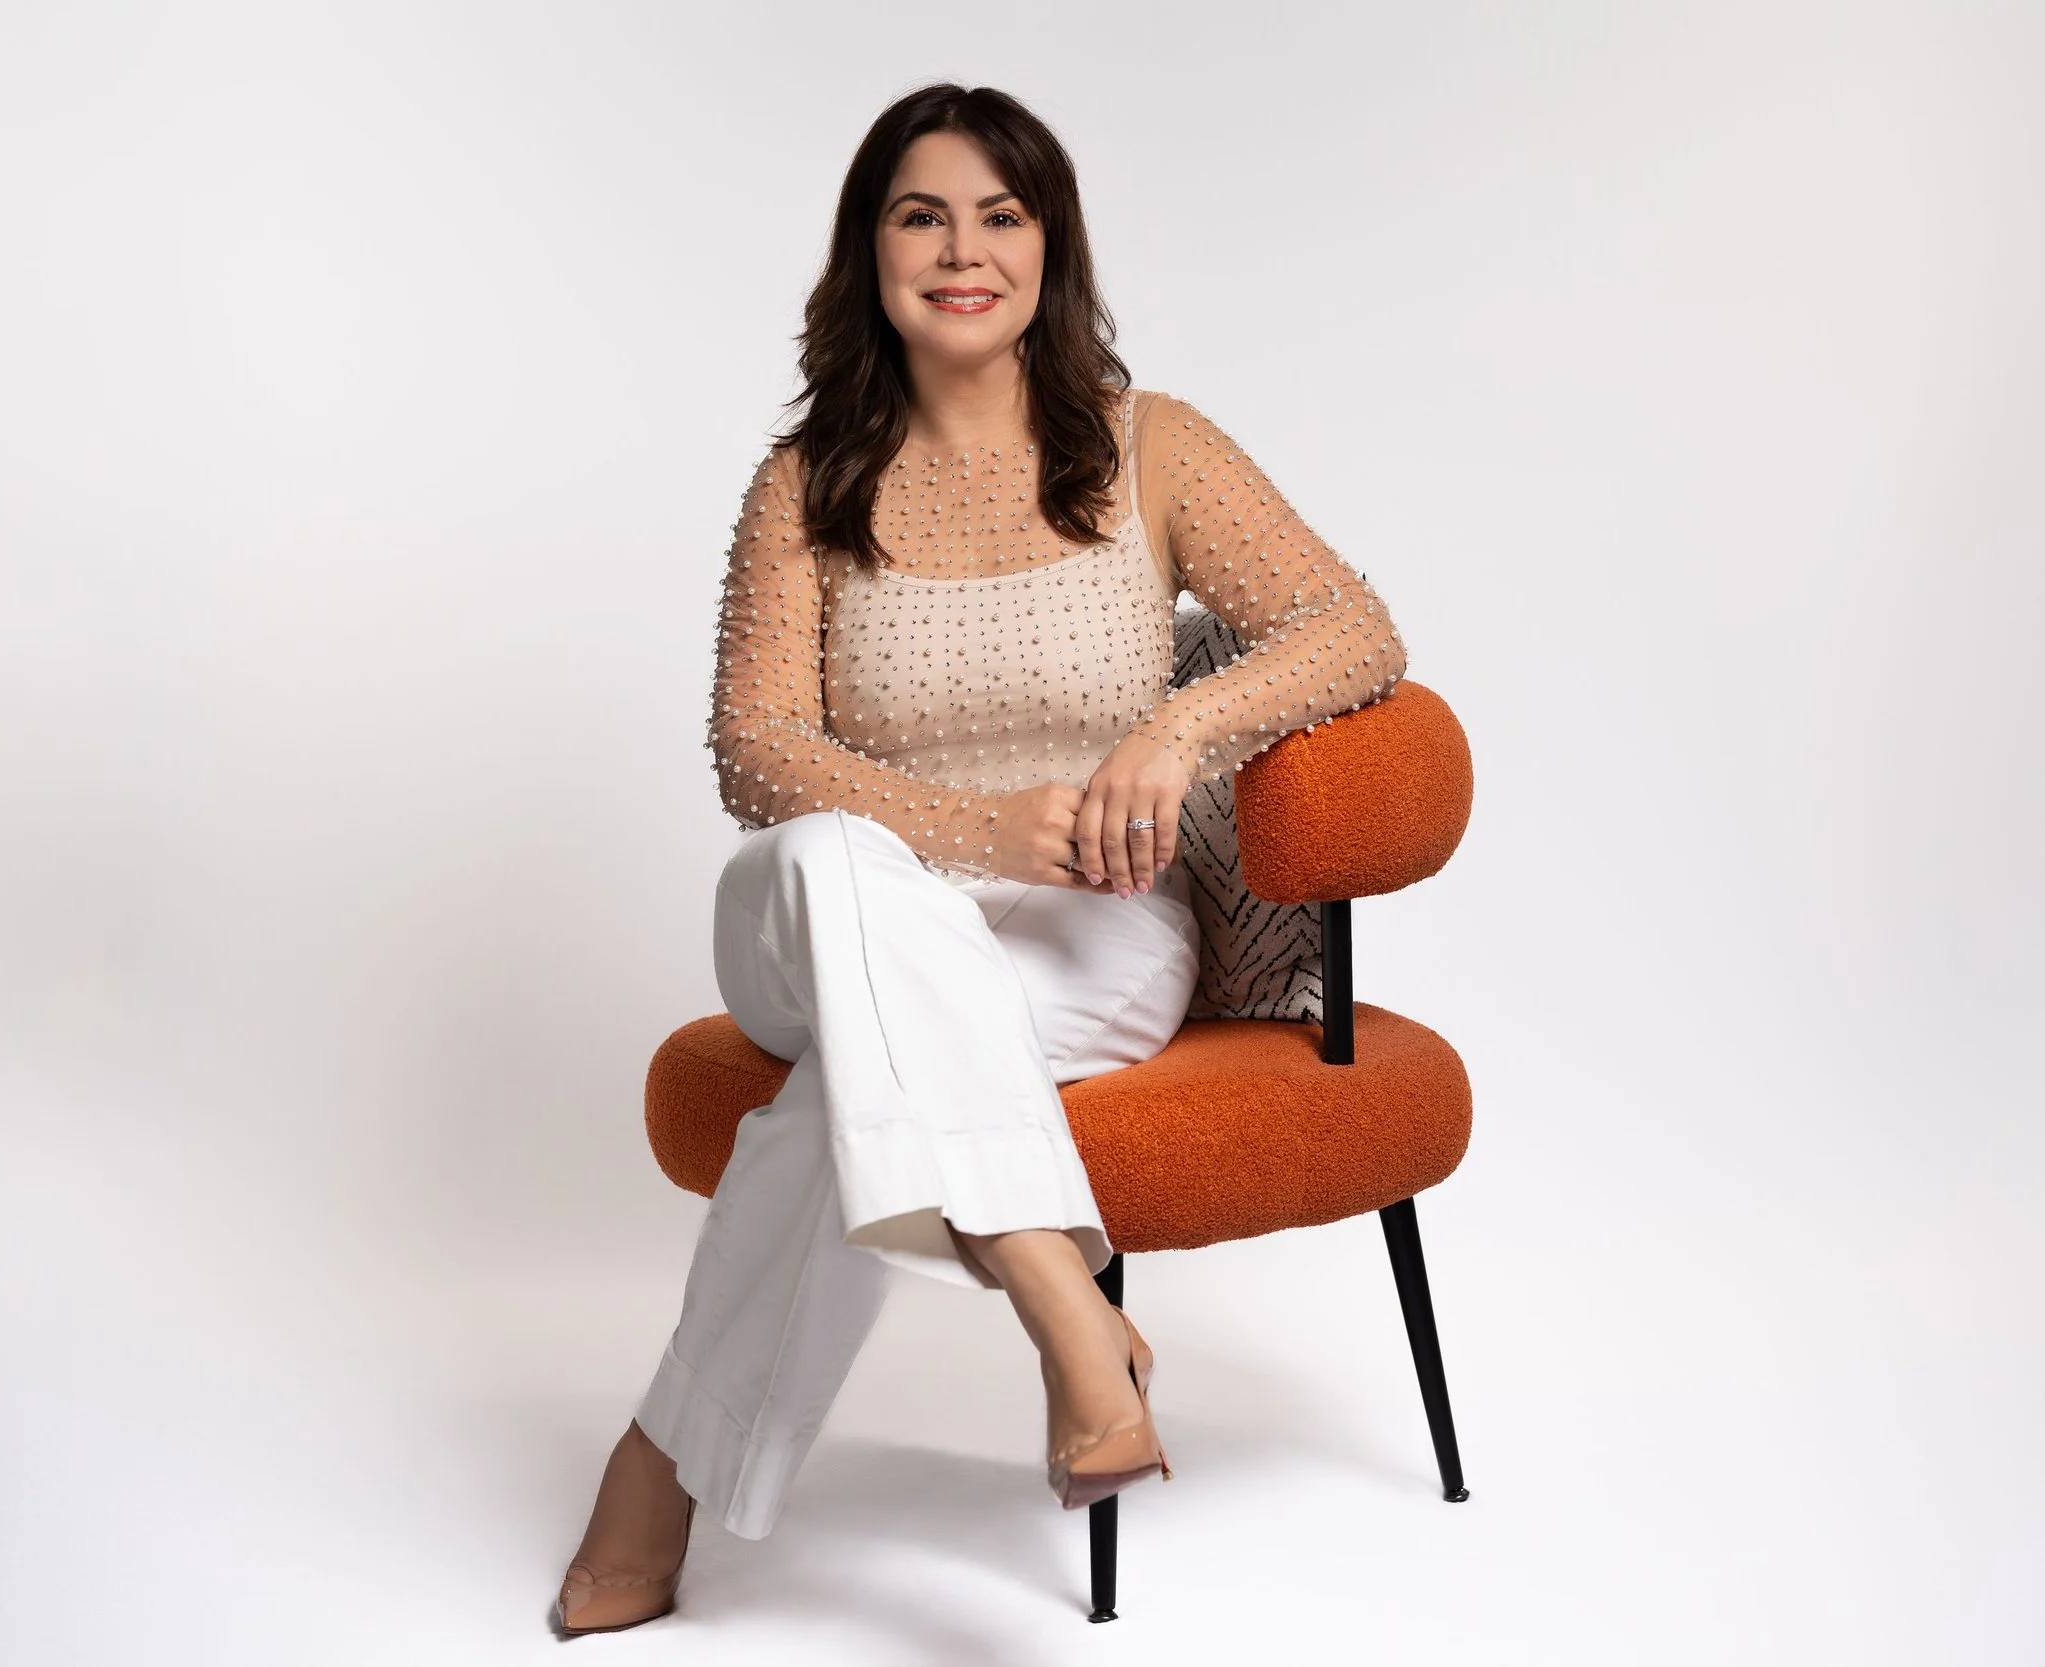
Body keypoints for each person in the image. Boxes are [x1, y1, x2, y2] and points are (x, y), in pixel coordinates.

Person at [551, 82, 1408, 1635]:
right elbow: (756, 753)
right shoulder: (804, 489)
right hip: (824, 916)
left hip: (1087, 926)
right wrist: (964, 826)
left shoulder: (1157, 451)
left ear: (1050, 246)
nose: (964, 250)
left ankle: (660, 1462)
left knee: (850, 1099)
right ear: (867, 252)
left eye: (1001, 216)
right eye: (921, 214)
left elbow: (1353, 629)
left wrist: (1175, 734)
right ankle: (1060, 1300)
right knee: (832, 857)